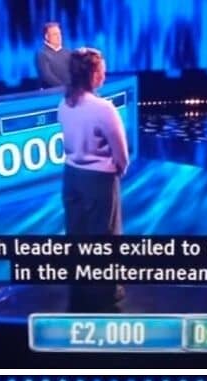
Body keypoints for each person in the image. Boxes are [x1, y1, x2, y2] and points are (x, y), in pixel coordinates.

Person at [58, 48, 129, 312]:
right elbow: (121, 152)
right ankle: (107, 291)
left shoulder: (64, 104)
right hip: (99, 180)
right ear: (92, 75)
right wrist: (120, 169)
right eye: (102, 71)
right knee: (105, 237)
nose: (105, 75)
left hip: (71, 176)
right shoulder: (103, 109)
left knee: (77, 233)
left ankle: (82, 284)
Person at [36, 22, 71, 88]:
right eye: (55, 34)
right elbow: (47, 76)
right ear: (47, 37)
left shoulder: (67, 52)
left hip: (71, 90)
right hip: (53, 91)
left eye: (60, 34)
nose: (59, 37)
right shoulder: (41, 54)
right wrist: (63, 87)